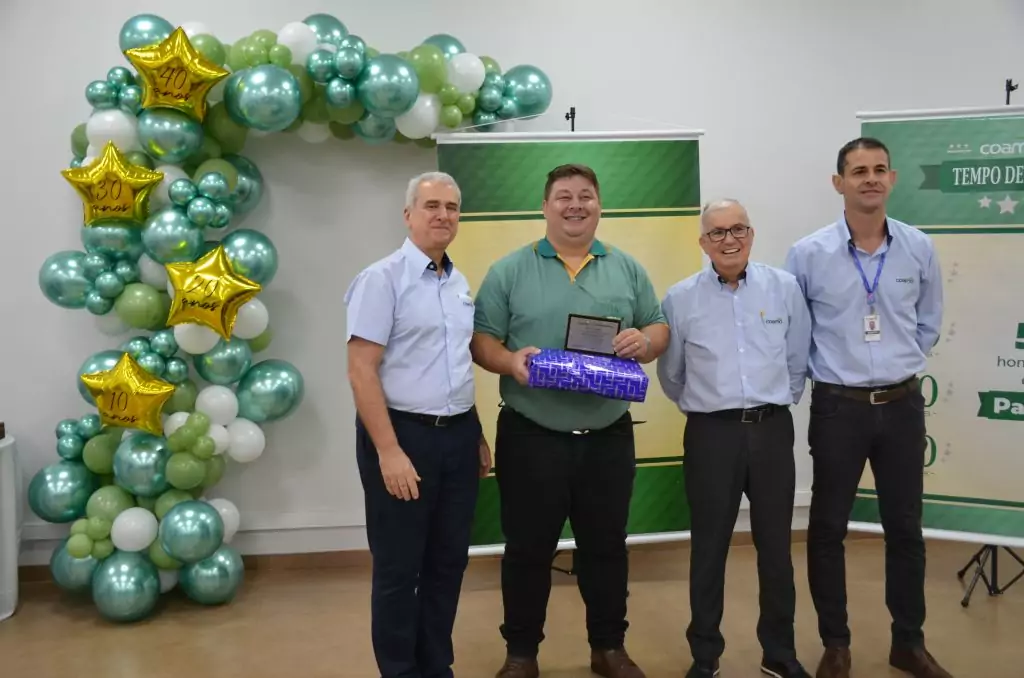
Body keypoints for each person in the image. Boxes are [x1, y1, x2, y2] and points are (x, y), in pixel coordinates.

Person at [471, 164, 670, 678]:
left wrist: (644, 342)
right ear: (545, 206)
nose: (575, 205)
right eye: (564, 196)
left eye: (585, 196)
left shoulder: (626, 268)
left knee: (607, 548)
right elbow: (482, 340)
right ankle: (521, 654)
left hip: (607, 436)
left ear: (600, 205)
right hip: (531, 434)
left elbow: (658, 325)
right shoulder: (509, 271)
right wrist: (510, 362)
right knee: (527, 550)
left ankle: (609, 648)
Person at [785, 138, 950, 678]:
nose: (871, 179)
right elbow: (797, 331)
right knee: (828, 527)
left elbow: (929, 321)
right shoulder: (808, 254)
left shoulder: (918, 247)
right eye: (859, 171)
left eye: (880, 169)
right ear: (839, 183)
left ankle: (909, 643)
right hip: (840, 407)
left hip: (902, 405)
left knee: (905, 528)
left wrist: (897, 361)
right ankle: (836, 644)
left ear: (892, 179)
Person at [345, 171, 492, 678]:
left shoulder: (459, 283)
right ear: (408, 215)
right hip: (402, 437)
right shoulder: (381, 279)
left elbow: (454, 363)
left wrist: (475, 431)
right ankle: (400, 670)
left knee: (448, 562)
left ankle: (435, 665)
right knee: (398, 568)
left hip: (457, 436)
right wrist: (389, 452)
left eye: (452, 207)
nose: (443, 215)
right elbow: (361, 370)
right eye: (432, 206)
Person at [657, 199, 812, 678]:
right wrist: (713, 408)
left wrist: (772, 404)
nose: (729, 240)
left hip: (771, 431)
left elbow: (797, 359)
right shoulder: (680, 298)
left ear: (751, 234)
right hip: (711, 435)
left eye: (738, 229)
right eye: (718, 233)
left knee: (776, 549)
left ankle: (779, 653)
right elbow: (672, 374)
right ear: (703, 243)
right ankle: (705, 657)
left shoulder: (784, 288)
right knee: (709, 549)